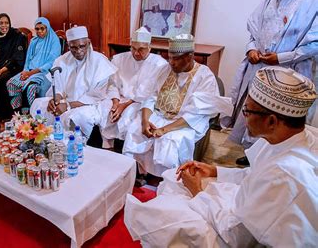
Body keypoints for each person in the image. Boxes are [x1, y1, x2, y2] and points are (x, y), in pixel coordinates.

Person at [125, 66, 317, 247]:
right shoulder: (292, 136)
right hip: (241, 208)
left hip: (236, 232)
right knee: (172, 178)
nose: (243, 118)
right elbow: (254, 174)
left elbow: (236, 236)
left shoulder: (284, 174)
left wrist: (197, 192)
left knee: (165, 215)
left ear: (272, 121)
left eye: (247, 111)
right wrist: (214, 170)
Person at [221, 0, 318, 165]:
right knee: (258, 113)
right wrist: (251, 49)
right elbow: (253, 30)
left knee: (280, 119)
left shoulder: (314, 0)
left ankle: (276, 160)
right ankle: (253, 155)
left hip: (291, 73)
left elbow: (315, 44)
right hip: (260, 69)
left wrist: (281, 58)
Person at [123, 34, 232, 180]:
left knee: (169, 141)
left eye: (176, 59)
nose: (171, 63)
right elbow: (150, 97)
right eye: (169, 58)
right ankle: (140, 174)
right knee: (134, 130)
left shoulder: (204, 76)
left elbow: (195, 114)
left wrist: (164, 129)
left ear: (190, 56)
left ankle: (167, 181)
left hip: (186, 122)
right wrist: (144, 121)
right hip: (159, 115)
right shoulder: (164, 70)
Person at [30, 26, 117, 136]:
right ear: (68, 45)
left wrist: (67, 106)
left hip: (89, 104)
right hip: (64, 101)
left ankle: (72, 145)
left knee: (77, 117)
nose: (78, 51)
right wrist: (56, 99)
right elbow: (58, 85)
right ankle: (46, 139)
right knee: (39, 104)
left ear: (88, 43)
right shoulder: (62, 60)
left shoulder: (100, 61)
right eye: (73, 48)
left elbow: (96, 95)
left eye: (82, 46)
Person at [99, 27, 167, 149]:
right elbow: (112, 84)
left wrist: (124, 105)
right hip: (119, 98)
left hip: (140, 102)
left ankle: (127, 155)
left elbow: (150, 93)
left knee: (129, 116)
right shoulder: (119, 59)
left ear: (149, 48)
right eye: (133, 48)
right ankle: (108, 149)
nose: (136, 53)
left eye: (141, 49)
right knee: (104, 109)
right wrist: (115, 102)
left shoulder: (159, 65)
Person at [7, 17, 61, 111]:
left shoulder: (54, 41)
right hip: (29, 71)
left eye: (42, 28)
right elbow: (28, 59)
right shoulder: (34, 41)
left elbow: (51, 63)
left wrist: (30, 74)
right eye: (37, 29)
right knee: (11, 83)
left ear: (47, 28)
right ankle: (18, 112)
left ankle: (31, 113)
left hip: (43, 73)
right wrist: (25, 71)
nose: (40, 31)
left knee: (29, 87)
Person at [0, 13, 27, 119]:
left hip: (13, 67)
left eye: (6, 23)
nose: (4, 26)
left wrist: (1, 71)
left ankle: (6, 115)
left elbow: (17, 58)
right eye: (1, 23)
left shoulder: (16, 36)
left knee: (0, 81)